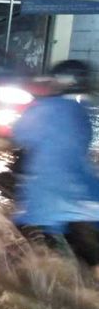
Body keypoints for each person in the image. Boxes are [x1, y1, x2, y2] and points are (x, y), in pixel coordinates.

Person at [12, 60, 99, 276]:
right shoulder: (83, 112)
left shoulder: (44, 108)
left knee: (22, 259)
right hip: (90, 202)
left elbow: (20, 134)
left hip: (47, 205)